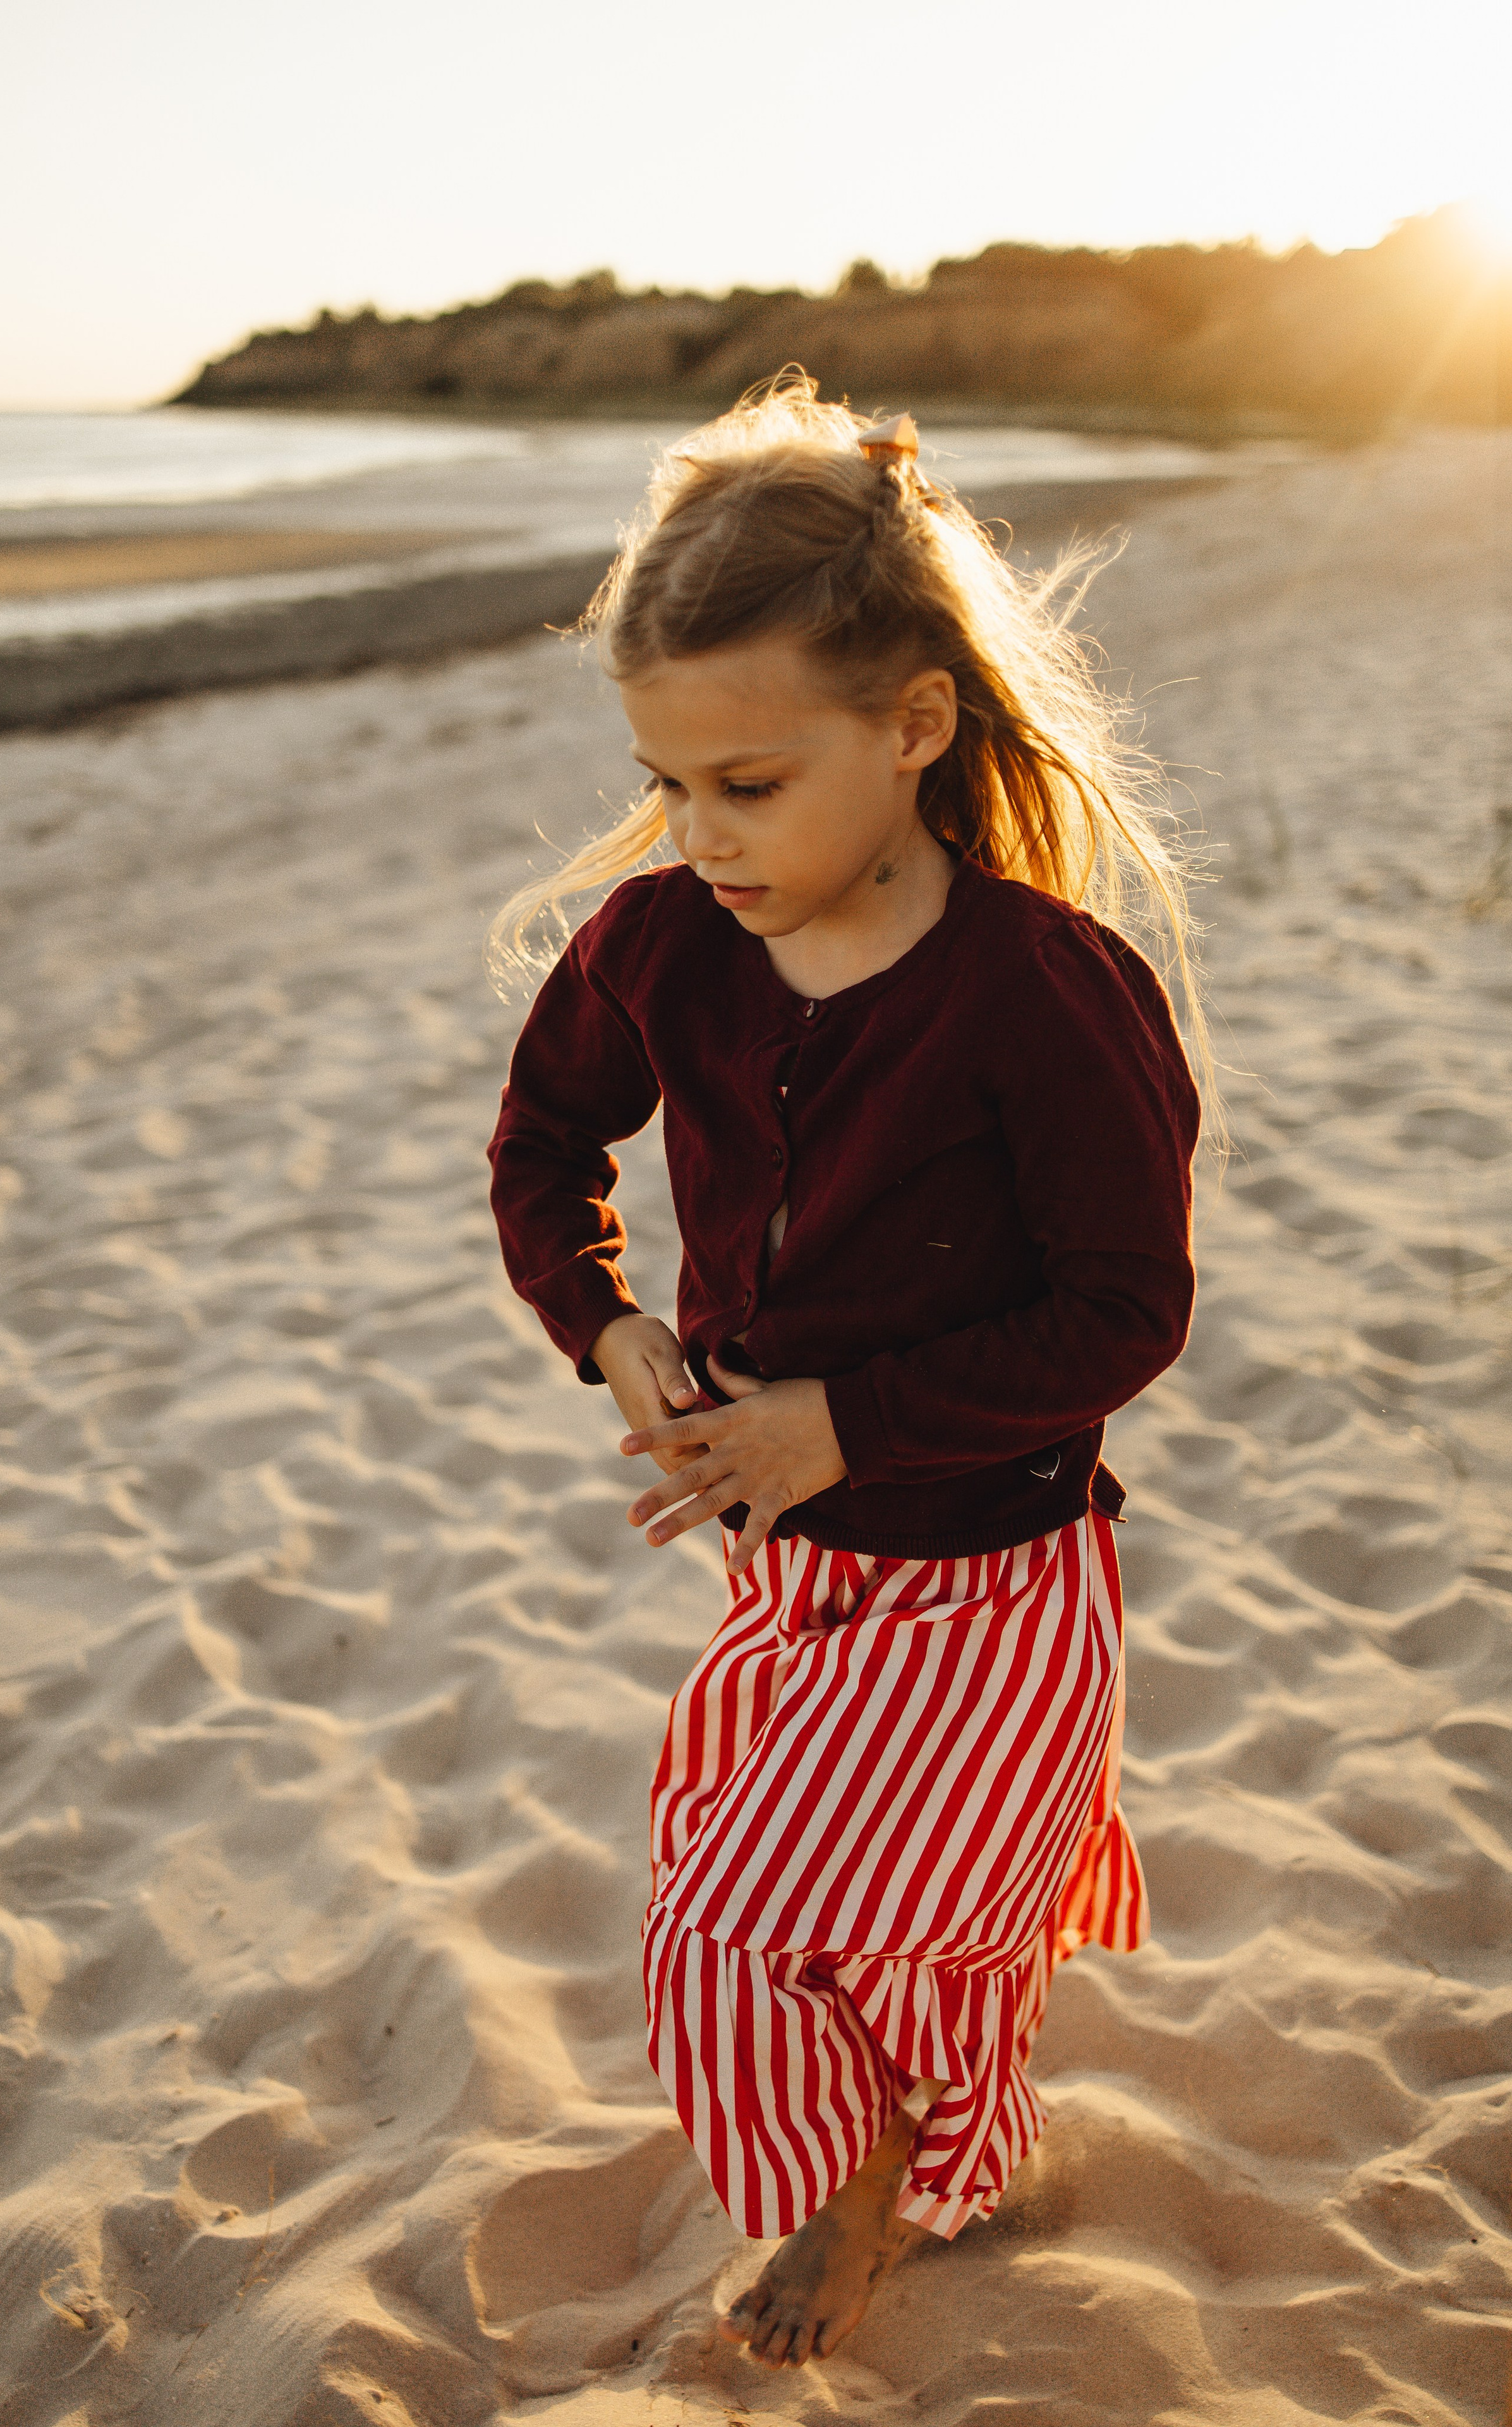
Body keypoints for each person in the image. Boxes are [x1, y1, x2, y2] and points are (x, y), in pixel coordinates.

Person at [485, 377, 1205, 2370]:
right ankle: (878, 2153)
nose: (699, 836)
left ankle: (866, 2180)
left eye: (750, 784)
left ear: (912, 729)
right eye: (668, 780)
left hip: (994, 1579)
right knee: (804, 1915)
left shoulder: (1041, 993)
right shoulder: (663, 948)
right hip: (790, 1580)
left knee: (750, 1938)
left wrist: (836, 1425)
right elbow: (544, 1150)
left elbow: (1124, 1312)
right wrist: (607, 1322)